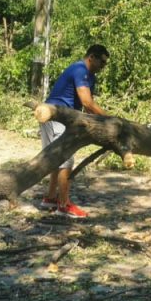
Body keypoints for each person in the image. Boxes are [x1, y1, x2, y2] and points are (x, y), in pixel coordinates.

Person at [39, 44, 109, 218]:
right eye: (102, 62)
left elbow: (83, 106)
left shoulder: (89, 75)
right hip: (57, 116)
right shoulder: (80, 70)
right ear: (91, 57)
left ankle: (50, 197)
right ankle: (64, 205)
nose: (103, 67)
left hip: (54, 115)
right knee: (66, 161)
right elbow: (87, 102)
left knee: (56, 159)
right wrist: (110, 119)